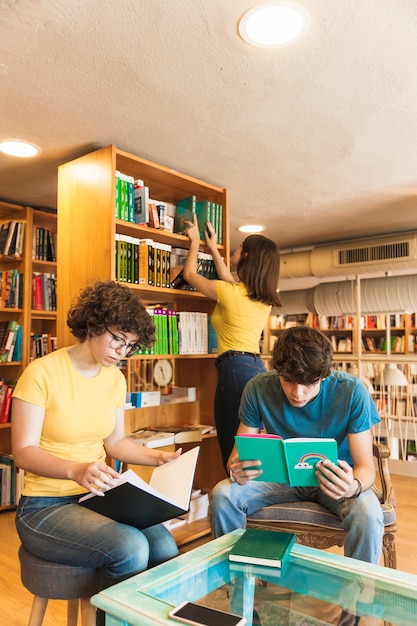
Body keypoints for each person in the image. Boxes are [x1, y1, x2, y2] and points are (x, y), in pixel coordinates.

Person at [12, 280, 180, 626]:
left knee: (165, 547)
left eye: (130, 345)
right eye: (117, 338)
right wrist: (76, 470)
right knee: (130, 547)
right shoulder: (41, 373)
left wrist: (160, 458)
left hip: (98, 497)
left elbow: (115, 443)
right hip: (44, 505)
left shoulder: (114, 379)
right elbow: (23, 453)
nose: (121, 351)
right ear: (92, 323)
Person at [210, 325, 384, 566]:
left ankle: (358, 603)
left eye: (309, 383)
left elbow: (366, 467)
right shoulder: (258, 388)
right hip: (280, 479)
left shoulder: (352, 391)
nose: (298, 393)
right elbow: (236, 456)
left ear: (324, 375)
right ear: (277, 369)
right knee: (222, 494)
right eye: (288, 380)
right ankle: (239, 585)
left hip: (335, 482)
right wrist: (236, 468)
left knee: (369, 513)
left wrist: (352, 486)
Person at [183, 214, 280, 470]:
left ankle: (235, 505)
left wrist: (194, 242)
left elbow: (191, 274)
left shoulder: (230, 293)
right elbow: (229, 282)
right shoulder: (263, 300)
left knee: (231, 450)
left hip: (233, 371)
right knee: (249, 446)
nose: (236, 248)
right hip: (257, 369)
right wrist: (213, 247)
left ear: (247, 257)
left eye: (240, 247)